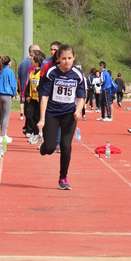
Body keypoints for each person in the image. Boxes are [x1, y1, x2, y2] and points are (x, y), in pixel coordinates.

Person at [37, 44, 86, 190]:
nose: (67, 61)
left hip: (69, 115)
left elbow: (82, 97)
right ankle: (44, 147)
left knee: (66, 146)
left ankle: (63, 178)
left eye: (69, 58)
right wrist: (42, 118)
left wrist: (78, 111)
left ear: (74, 58)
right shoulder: (51, 73)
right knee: (50, 148)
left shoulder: (78, 75)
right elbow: (44, 96)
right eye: (64, 58)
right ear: (58, 58)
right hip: (52, 113)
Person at [0, 55, 17, 146]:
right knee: (6, 116)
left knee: (3, 115)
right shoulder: (9, 71)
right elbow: (13, 84)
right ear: (9, 63)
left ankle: (4, 134)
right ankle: (2, 135)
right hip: (7, 94)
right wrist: (13, 93)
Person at [25, 50, 44, 145]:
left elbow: (43, 84)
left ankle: (43, 139)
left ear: (37, 61)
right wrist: (27, 94)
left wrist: (39, 91)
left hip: (40, 99)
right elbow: (29, 84)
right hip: (33, 98)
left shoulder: (42, 72)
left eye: (33, 58)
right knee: (28, 115)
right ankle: (37, 133)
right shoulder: (32, 72)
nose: (31, 59)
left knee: (39, 118)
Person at [17, 44, 40, 121]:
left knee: (30, 114)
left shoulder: (22, 63)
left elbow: (19, 78)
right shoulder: (33, 66)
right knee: (31, 115)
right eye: (38, 51)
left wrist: (21, 90)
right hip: (30, 93)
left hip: (30, 93)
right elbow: (25, 80)